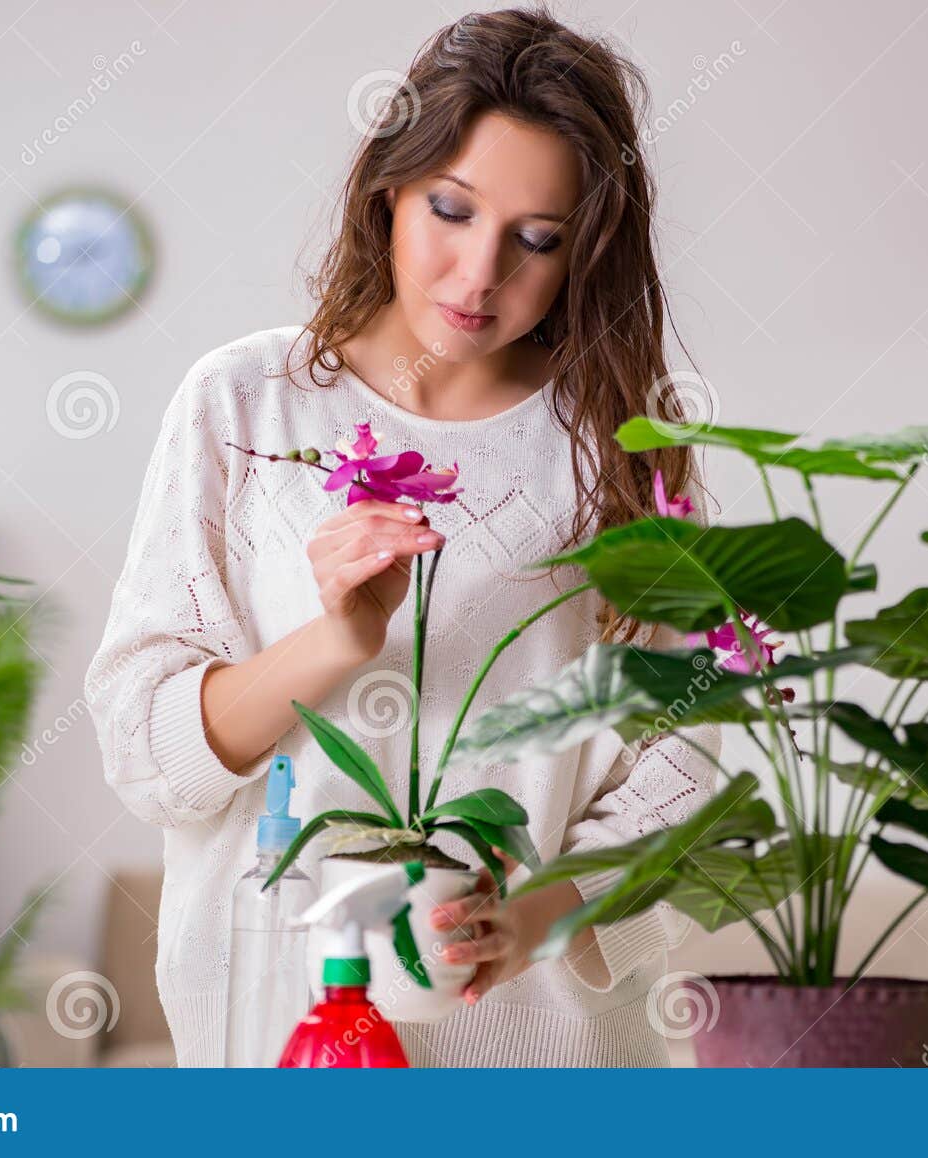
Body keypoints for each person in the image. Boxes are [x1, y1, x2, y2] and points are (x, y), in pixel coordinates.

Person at [85, 6, 722, 1067]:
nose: (479, 277)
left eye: (536, 239)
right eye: (451, 209)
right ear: (388, 186)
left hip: (544, 1054)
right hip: (274, 1033)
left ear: (585, 250)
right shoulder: (245, 407)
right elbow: (143, 752)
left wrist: (529, 919)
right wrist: (333, 638)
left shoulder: (620, 444)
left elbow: (685, 763)